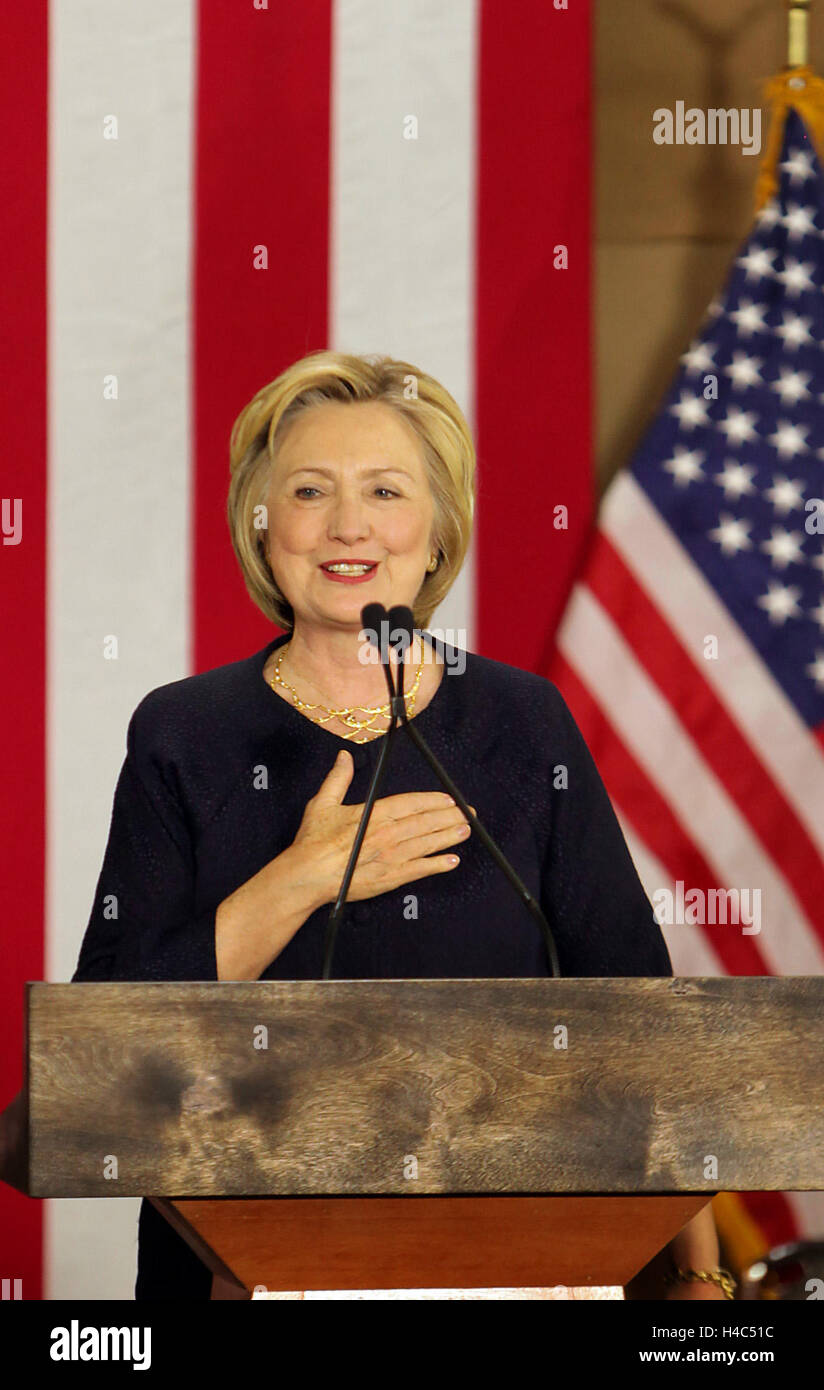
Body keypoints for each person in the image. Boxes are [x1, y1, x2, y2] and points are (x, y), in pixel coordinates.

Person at [70, 349, 728, 1300]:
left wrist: (701, 1283)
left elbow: (638, 1011)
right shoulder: (183, 733)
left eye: (385, 491)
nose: (348, 525)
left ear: (435, 535)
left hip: (521, 1265)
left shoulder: (523, 721)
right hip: (235, 1270)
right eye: (308, 491)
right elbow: (105, 1051)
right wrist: (300, 877)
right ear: (262, 528)